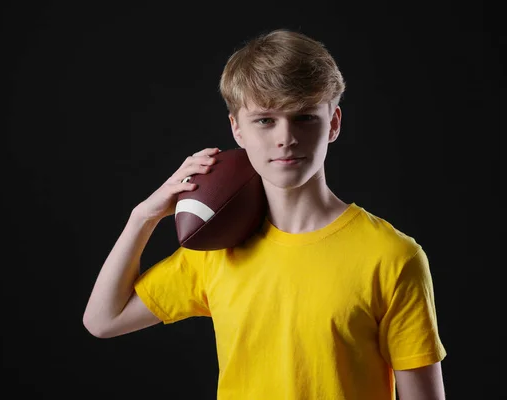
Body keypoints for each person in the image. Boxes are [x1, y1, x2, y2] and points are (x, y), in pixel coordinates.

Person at [82, 28, 447, 399]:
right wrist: (143, 216)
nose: (285, 137)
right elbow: (103, 320)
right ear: (236, 129)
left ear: (333, 123)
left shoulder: (392, 256)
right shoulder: (216, 251)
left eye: (304, 117)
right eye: (265, 120)